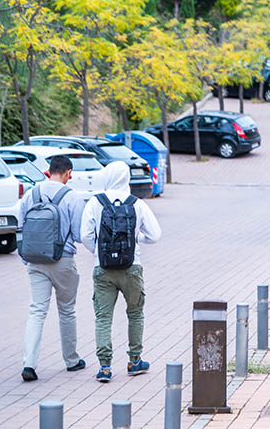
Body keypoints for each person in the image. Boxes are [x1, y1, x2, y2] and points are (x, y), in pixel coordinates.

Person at [81, 161, 161, 383]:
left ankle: (105, 367)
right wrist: (136, 240)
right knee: (135, 314)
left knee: (103, 317)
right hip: (131, 268)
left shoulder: (95, 203)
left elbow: (85, 235)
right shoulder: (137, 204)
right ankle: (135, 361)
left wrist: (98, 253)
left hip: (103, 269)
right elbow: (155, 235)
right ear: (127, 178)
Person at [18, 155, 86, 382]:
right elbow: (78, 234)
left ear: (49, 171)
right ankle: (72, 360)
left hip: (35, 260)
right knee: (67, 310)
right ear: (67, 172)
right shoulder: (72, 197)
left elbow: (22, 225)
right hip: (62, 260)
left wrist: (26, 257)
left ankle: (29, 364)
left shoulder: (31, 193)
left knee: (36, 311)